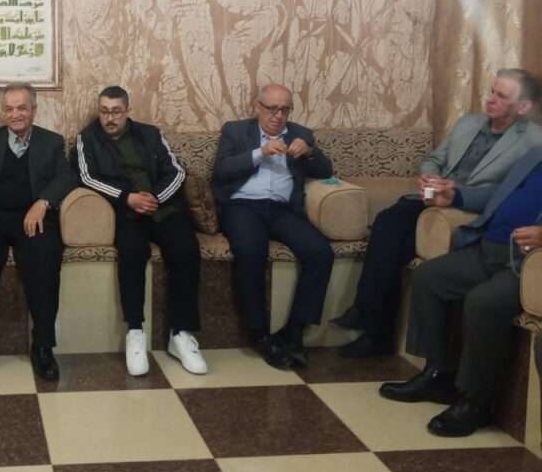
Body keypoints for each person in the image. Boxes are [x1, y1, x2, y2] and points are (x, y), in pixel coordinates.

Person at [335, 69, 542, 358]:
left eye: (502, 96)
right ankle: (372, 325)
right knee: (389, 226)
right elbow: (435, 159)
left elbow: (507, 191)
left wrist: (457, 192)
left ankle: (371, 324)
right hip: (435, 197)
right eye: (492, 91)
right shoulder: (469, 122)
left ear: (523, 106)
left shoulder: (533, 140)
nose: (491, 99)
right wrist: (429, 178)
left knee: (395, 234)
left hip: (465, 206)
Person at [379, 146, 542, 437]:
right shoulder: (534, 154)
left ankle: (475, 401)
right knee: (429, 277)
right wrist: (455, 196)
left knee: (483, 302)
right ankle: (437, 373)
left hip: (526, 264)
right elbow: (499, 192)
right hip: (487, 249)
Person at [75, 86, 206, 376]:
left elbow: (176, 171)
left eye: (116, 112)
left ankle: (181, 333)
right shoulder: (87, 138)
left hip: (164, 207)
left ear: (127, 111)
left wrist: (154, 198)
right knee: (132, 253)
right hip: (127, 212)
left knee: (186, 251)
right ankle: (135, 331)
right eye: (104, 111)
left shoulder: (150, 134)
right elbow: (87, 177)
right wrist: (127, 198)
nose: (109, 118)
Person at [0, 83, 75, 382]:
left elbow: (65, 177)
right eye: (9, 109)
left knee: (45, 260)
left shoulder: (51, 142)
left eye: (22, 108)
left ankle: (43, 347)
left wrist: (43, 203)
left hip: (31, 218)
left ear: (34, 110)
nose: (15, 114)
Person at [212, 83, 334, 370]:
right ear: (258, 107)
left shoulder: (301, 134)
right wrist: (260, 152)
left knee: (320, 252)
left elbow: (326, 171)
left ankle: (294, 332)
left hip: (282, 210)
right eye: (272, 109)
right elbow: (221, 170)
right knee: (251, 250)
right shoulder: (235, 131)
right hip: (242, 206)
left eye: (284, 110)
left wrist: (309, 153)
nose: (278, 116)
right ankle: (260, 334)